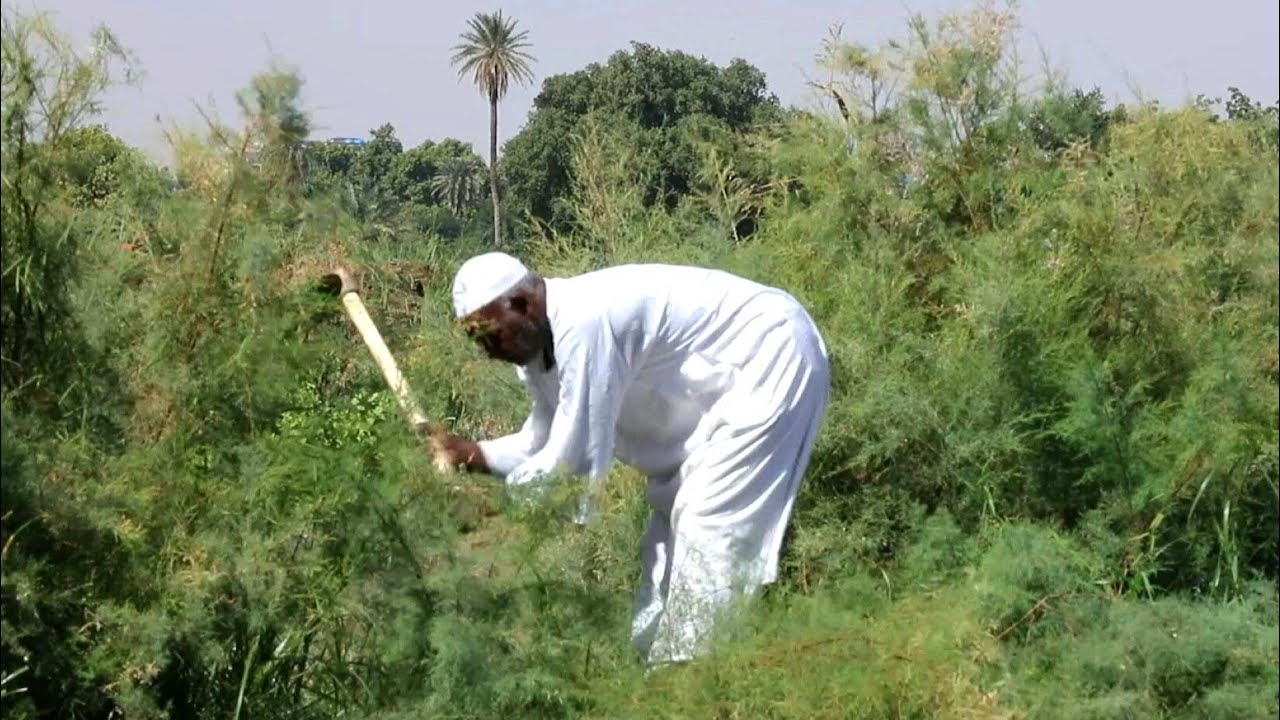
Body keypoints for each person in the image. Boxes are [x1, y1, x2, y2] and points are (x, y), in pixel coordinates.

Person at [431, 251, 830, 666]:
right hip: (717, 398)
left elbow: (574, 455)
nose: (489, 353)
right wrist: (474, 454)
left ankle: (692, 677)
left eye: (492, 337)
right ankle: (656, 667)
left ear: (524, 305)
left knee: (709, 525)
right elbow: (545, 437)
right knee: (668, 542)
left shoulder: (584, 323)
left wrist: (494, 506)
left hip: (771, 357)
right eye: (478, 342)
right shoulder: (540, 349)